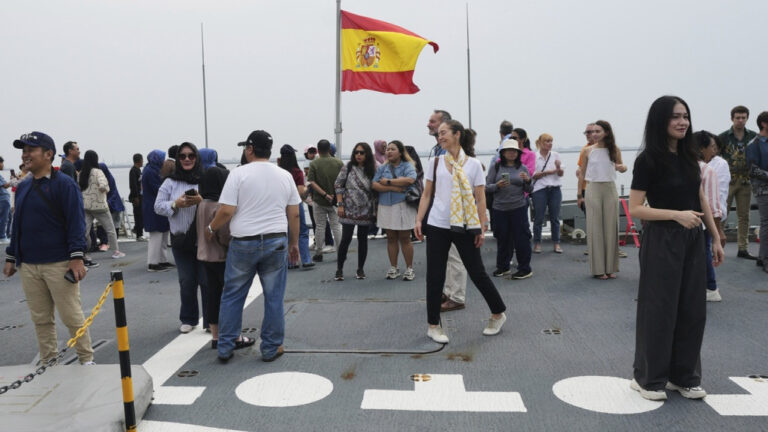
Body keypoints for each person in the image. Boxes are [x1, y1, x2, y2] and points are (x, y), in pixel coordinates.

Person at [629, 95, 724, 401]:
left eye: (685, 116)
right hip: (662, 238)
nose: (682, 121)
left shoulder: (690, 157)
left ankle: (683, 376)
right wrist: (675, 215)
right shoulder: (648, 160)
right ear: (661, 121)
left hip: (693, 238)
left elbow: (701, 198)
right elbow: (636, 209)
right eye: (675, 117)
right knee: (659, 309)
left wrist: (716, 237)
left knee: (692, 309)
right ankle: (648, 378)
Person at [207, 130, 300, 363]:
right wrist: (294, 243)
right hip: (276, 241)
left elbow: (227, 211)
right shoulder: (285, 175)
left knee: (232, 295)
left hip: (244, 243)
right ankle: (270, 348)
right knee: (274, 297)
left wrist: (211, 229)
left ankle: (225, 347)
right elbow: (295, 214)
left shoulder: (238, 174)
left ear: (249, 149)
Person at [4, 131, 95, 365]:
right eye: (23, 151)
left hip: (59, 262)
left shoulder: (65, 185)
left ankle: (87, 359)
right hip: (29, 265)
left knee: (71, 316)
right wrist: (11, 256)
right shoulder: (23, 187)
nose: (25, 155)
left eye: (30, 150)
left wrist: (77, 257)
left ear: (48, 154)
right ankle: (48, 361)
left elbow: (76, 222)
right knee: (41, 319)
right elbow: (17, 224)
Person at [415, 120, 507, 344]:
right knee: (435, 275)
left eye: (444, 133)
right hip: (438, 224)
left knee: (476, 271)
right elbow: (426, 194)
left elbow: (480, 197)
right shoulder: (435, 163)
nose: (440, 137)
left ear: (457, 134)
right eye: (438, 134)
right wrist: (419, 220)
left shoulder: (474, 165)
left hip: (464, 224)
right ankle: (433, 325)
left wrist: (481, 225)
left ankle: (498, 313)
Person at [195, 165, 254, 350]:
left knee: (213, 295)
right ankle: (234, 336)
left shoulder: (202, 203)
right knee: (230, 297)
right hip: (222, 257)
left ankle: (216, 336)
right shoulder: (219, 207)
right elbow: (225, 235)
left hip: (205, 256)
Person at [155, 142, 209, 333]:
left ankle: (211, 320)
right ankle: (188, 318)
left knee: (206, 281)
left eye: (191, 156)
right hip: (181, 240)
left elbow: (218, 204)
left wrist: (202, 201)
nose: (187, 159)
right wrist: (175, 204)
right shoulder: (170, 182)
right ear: (177, 159)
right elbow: (158, 206)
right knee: (186, 281)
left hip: (204, 239)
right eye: (183, 156)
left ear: (197, 158)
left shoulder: (205, 179)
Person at [426, 109, 468, 312]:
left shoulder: (452, 153)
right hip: (440, 209)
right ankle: (448, 291)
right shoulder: (437, 150)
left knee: (455, 256)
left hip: (455, 211)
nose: (429, 125)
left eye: (433, 122)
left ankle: (457, 296)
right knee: (445, 256)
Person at [577, 120, 627, 279]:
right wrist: (579, 195)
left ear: (606, 132)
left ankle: (611, 268)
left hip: (610, 188)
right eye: (592, 132)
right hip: (593, 188)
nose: (594, 134)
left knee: (611, 227)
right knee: (595, 229)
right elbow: (582, 174)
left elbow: (622, 166)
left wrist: (622, 167)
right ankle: (598, 269)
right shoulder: (587, 151)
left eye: (598, 131)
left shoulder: (614, 149)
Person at [486, 139, 533, 278]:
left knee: (521, 238)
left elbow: (530, 189)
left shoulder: (522, 168)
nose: (512, 153)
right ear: (503, 153)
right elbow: (486, 187)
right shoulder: (496, 167)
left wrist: (528, 181)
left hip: (518, 207)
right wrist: (497, 186)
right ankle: (503, 266)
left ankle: (525, 268)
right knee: (503, 238)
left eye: (515, 151)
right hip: (499, 208)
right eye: (509, 151)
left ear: (518, 153)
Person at [372, 140, 417, 281]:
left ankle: (409, 268)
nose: (389, 151)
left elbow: (410, 179)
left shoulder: (407, 165)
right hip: (386, 205)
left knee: (405, 238)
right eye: (388, 149)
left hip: (402, 204)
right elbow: (374, 184)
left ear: (400, 152)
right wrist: (394, 187)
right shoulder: (382, 168)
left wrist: (388, 182)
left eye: (393, 149)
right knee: (391, 238)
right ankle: (394, 267)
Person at [719, 105, 758, 260]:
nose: (741, 120)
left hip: (746, 181)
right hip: (727, 181)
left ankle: (743, 248)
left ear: (747, 118)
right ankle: (717, 245)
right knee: (722, 214)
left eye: (743, 117)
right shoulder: (723, 137)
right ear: (732, 119)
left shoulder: (753, 137)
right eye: (738, 118)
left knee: (744, 215)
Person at [334, 142, 376, 280]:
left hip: (366, 208)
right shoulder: (348, 167)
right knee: (346, 238)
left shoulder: (373, 168)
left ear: (367, 154)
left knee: (363, 239)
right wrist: (340, 204)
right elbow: (338, 185)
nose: (358, 155)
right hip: (349, 208)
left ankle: (360, 269)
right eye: (356, 152)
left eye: (362, 153)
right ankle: (339, 269)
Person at [694, 131, 726, 301]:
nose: (713, 152)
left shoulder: (687, 167)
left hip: (692, 220)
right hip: (703, 222)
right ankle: (710, 287)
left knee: (702, 253)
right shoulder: (707, 170)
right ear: (701, 148)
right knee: (704, 253)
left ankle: (708, 287)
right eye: (711, 147)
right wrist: (717, 231)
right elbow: (713, 205)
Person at [79, 150, 125, 259]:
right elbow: (104, 184)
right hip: (100, 206)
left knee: (84, 231)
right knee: (110, 229)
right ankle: (116, 252)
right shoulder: (98, 171)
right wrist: (104, 189)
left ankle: (84, 253)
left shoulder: (81, 173)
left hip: (86, 206)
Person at [278, 144, 314, 269]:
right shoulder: (297, 172)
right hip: (295, 204)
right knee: (302, 231)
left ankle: (290, 262)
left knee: (286, 232)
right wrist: (306, 188)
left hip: (281, 204)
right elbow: (299, 191)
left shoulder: (278, 171)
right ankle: (306, 259)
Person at [307, 139, 343, 262]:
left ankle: (318, 252)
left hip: (319, 200)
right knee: (336, 227)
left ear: (318, 150)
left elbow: (311, 182)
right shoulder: (338, 163)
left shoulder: (314, 164)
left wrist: (324, 194)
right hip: (335, 200)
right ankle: (340, 253)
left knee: (320, 226)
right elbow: (344, 181)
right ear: (329, 149)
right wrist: (334, 195)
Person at [531, 133, 565, 254]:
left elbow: (560, 174)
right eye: (547, 141)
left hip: (555, 189)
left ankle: (556, 243)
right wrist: (548, 172)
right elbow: (533, 174)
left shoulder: (556, 155)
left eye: (551, 141)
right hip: (540, 189)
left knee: (555, 217)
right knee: (538, 217)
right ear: (540, 142)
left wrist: (559, 168)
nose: (550, 143)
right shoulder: (534, 156)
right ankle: (537, 243)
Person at [142, 150, 172, 272]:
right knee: (156, 235)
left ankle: (162, 260)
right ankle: (153, 263)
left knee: (163, 233)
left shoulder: (153, 169)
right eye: (162, 158)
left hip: (157, 206)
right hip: (153, 207)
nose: (164, 161)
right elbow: (158, 189)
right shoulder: (150, 172)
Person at [746, 110, 768, 273]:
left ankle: (761, 257)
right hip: (763, 189)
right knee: (766, 224)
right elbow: (753, 169)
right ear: (764, 124)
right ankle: (765, 259)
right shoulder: (754, 144)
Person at [707, 136, 730, 246]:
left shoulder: (720, 164)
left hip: (709, 218)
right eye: (711, 147)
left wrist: (718, 230)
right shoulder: (690, 163)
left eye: (714, 147)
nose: (713, 150)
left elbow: (718, 197)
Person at [129, 153, 145, 241]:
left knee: (141, 215)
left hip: (141, 196)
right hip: (137, 197)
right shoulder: (133, 171)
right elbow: (133, 185)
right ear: (139, 160)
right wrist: (135, 197)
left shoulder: (138, 170)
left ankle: (137, 230)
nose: (143, 162)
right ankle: (139, 234)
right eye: (142, 160)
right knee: (138, 215)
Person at [0, 157, 11, 244]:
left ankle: (5, 235)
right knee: (4, 218)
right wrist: (13, 181)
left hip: (4, 198)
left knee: (8, 218)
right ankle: (2, 236)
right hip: (2, 199)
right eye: (2, 163)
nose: (3, 165)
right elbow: (5, 185)